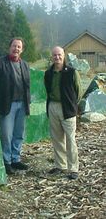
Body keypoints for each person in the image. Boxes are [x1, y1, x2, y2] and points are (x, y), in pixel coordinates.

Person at [0, 37, 31, 175]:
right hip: (8, 105)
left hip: (22, 104)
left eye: (19, 47)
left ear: (22, 49)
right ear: (9, 47)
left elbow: (27, 85)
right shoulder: (0, 62)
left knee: (19, 134)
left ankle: (15, 159)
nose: (16, 48)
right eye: (14, 46)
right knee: (6, 134)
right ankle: (6, 162)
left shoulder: (24, 64)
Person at [44, 46, 82, 180]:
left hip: (67, 108)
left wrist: (72, 105)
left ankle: (73, 169)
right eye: (54, 55)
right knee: (57, 138)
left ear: (64, 55)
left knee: (70, 139)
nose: (57, 57)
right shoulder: (48, 73)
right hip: (53, 106)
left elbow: (78, 92)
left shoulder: (72, 72)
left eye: (59, 55)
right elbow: (47, 90)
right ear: (52, 57)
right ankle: (60, 165)